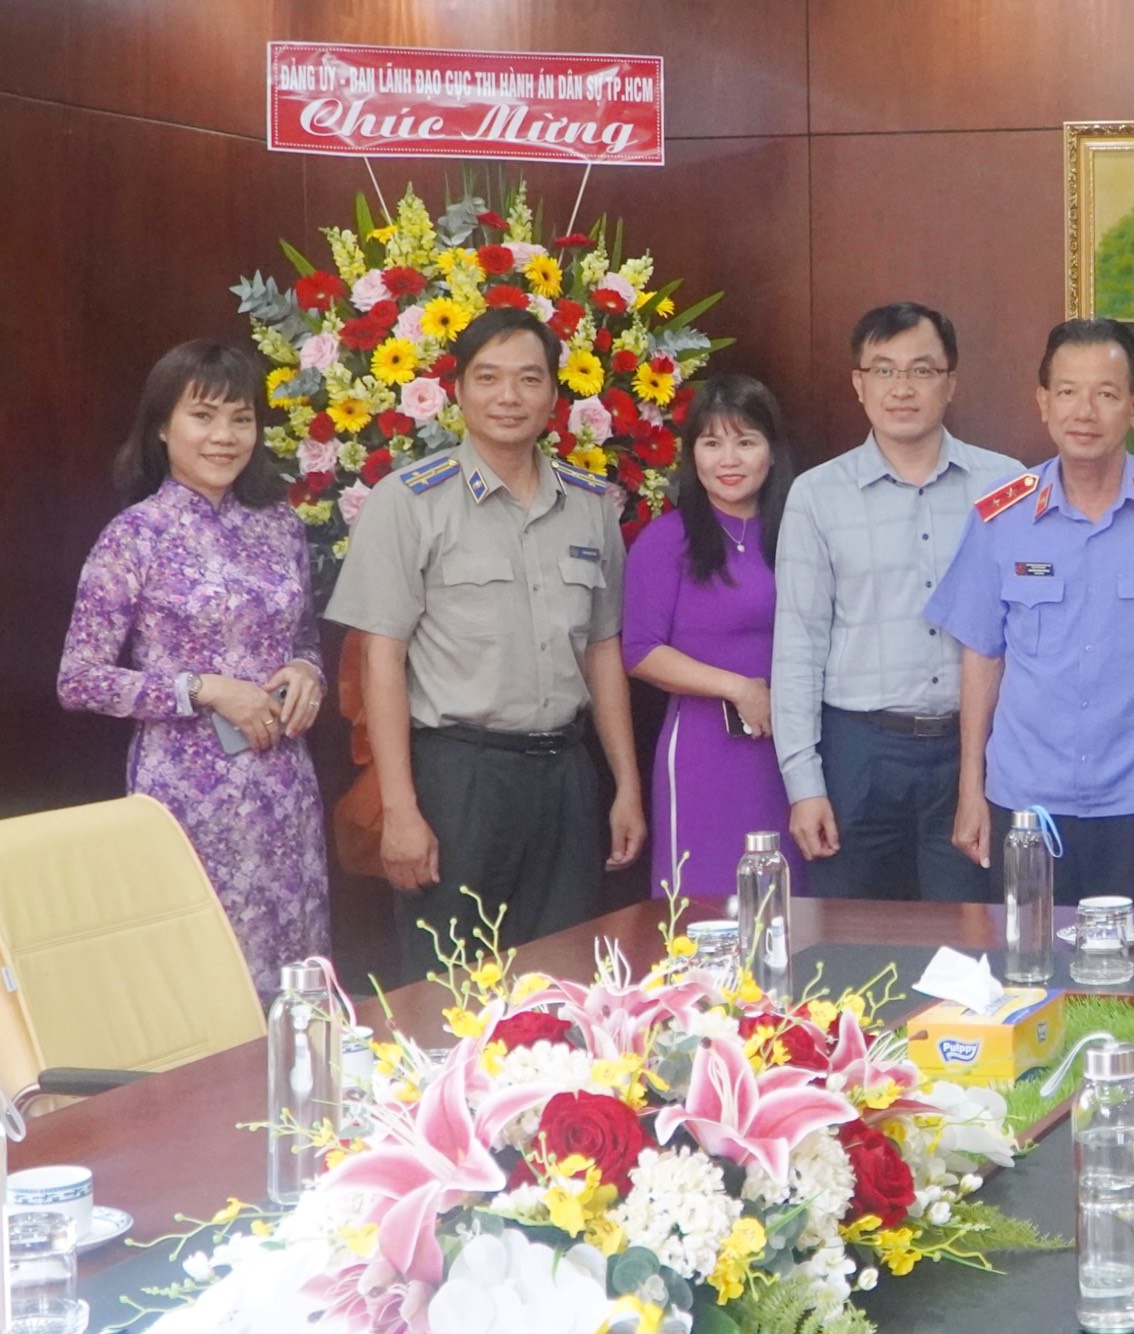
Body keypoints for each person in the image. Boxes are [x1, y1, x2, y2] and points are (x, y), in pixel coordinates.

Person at [327, 308, 645, 976]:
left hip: (565, 776)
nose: (509, 396)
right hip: (458, 779)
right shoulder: (409, 502)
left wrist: (625, 786)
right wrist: (401, 811)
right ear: (458, 391)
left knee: (564, 982)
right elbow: (382, 659)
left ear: (554, 395)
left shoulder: (591, 505)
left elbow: (603, 651)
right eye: (489, 377)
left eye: (529, 379)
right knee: (447, 989)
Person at [58, 340, 329, 993]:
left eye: (241, 418)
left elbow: (304, 637)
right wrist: (203, 690)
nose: (224, 436)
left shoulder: (281, 527)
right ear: (162, 426)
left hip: (282, 788)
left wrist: (307, 673)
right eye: (203, 416)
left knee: (295, 976)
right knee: (199, 983)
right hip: (186, 795)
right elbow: (79, 679)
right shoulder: (134, 536)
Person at [924, 318, 1134, 906]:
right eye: (1067, 391)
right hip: (1025, 800)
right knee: (1029, 957)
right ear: (1043, 403)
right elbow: (982, 659)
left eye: (1105, 394)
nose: (1085, 411)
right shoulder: (999, 517)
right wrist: (970, 789)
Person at [772, 303, 1021, 901]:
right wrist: (804, 785)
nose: (902, 388)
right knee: (851, 942)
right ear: (859, 384)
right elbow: (799, 644)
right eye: (883, 370)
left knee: (967, 940)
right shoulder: (816, 495)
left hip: (973, 752)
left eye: (921, 370)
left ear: (950, 383)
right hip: (858, 753)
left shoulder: (1006, 485)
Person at [624, 375, 801, 897]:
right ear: (692, 455)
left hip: (793, 751)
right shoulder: (666, 540)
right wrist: (739, 688)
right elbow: (639, 650)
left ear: (772, 451)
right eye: (711, 443)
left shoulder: (800, 532)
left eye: (745, 442)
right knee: (704, 901)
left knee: (792, 899)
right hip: (706, 751)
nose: (728, 460)